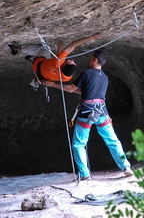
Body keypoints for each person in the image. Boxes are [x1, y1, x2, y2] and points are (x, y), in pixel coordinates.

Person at [43, 49, 133, 180]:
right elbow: (87, 92)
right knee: (113, 141)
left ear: (95, 60)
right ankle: (126, 167)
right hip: (102, 112)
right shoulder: (105, 78)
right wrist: (75, 91)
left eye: (91, 58)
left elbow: (70, 88)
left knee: (79, 143)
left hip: (87, 112)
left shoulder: (87, 74)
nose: (90, 60)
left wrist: (53, 85)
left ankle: (85, 174)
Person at [8, 32, 102, 89]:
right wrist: (59, 48)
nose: (72, 60)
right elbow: (58, 59)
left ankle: (18, 50)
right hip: (40, 74)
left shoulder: (59, 62)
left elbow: (73, 45)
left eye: (70, 62)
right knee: (47, 61)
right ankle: (31, 60)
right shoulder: (67, 77)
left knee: (44, 49)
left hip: (38, 62)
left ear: (64, 65)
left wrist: (92, 37)